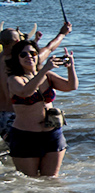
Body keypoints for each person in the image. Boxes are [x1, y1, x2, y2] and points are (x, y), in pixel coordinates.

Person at [4, 41, 77, 177]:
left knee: (51, 181)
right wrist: (44, 69)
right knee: (29, 183)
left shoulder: (47, 76)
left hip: (52, 134)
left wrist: (70, 67)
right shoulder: (14, 79)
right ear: (16, 58)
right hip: (25, 136)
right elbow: (26, 92)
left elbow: (71, 86)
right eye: (23, 54)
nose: (29, 56)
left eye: (33, 53)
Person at [0, 21, 70, 139]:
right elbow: (49, 47)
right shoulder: (20, 62)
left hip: (1, 116)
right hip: (18, 117)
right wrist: (62, 33)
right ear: (18, 42)